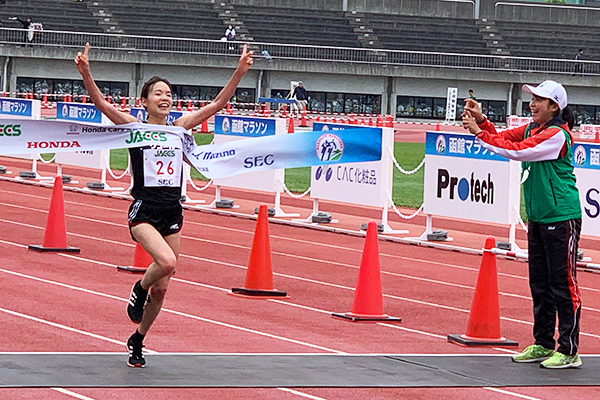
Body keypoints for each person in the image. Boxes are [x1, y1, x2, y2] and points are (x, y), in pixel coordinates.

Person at [74, 42, 254, 368]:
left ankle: (138, 338)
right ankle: (138, 287)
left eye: (168, 92)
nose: (165, 97)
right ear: (144, 102)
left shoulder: (180, 128)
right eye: (157, 93)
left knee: (163, 288)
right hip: (144, 209)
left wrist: (239, 72)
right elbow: (100, 103)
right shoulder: (134, 128)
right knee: (166, 262)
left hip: (173, 210)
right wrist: (86, 73)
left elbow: (216, 103)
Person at [462, 80, 582, 369]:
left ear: (554, 107)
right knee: (540, 284)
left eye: (539, 99)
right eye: (532, 98)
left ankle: (569, 350)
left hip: (562, 216)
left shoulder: (556, 135)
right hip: (540, 217)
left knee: (563, 285)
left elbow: (518, 152)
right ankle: (543, 343)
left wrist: (479, 133)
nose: (532, 103)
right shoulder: (533, 129)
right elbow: (505, 138)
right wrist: (482, 121)